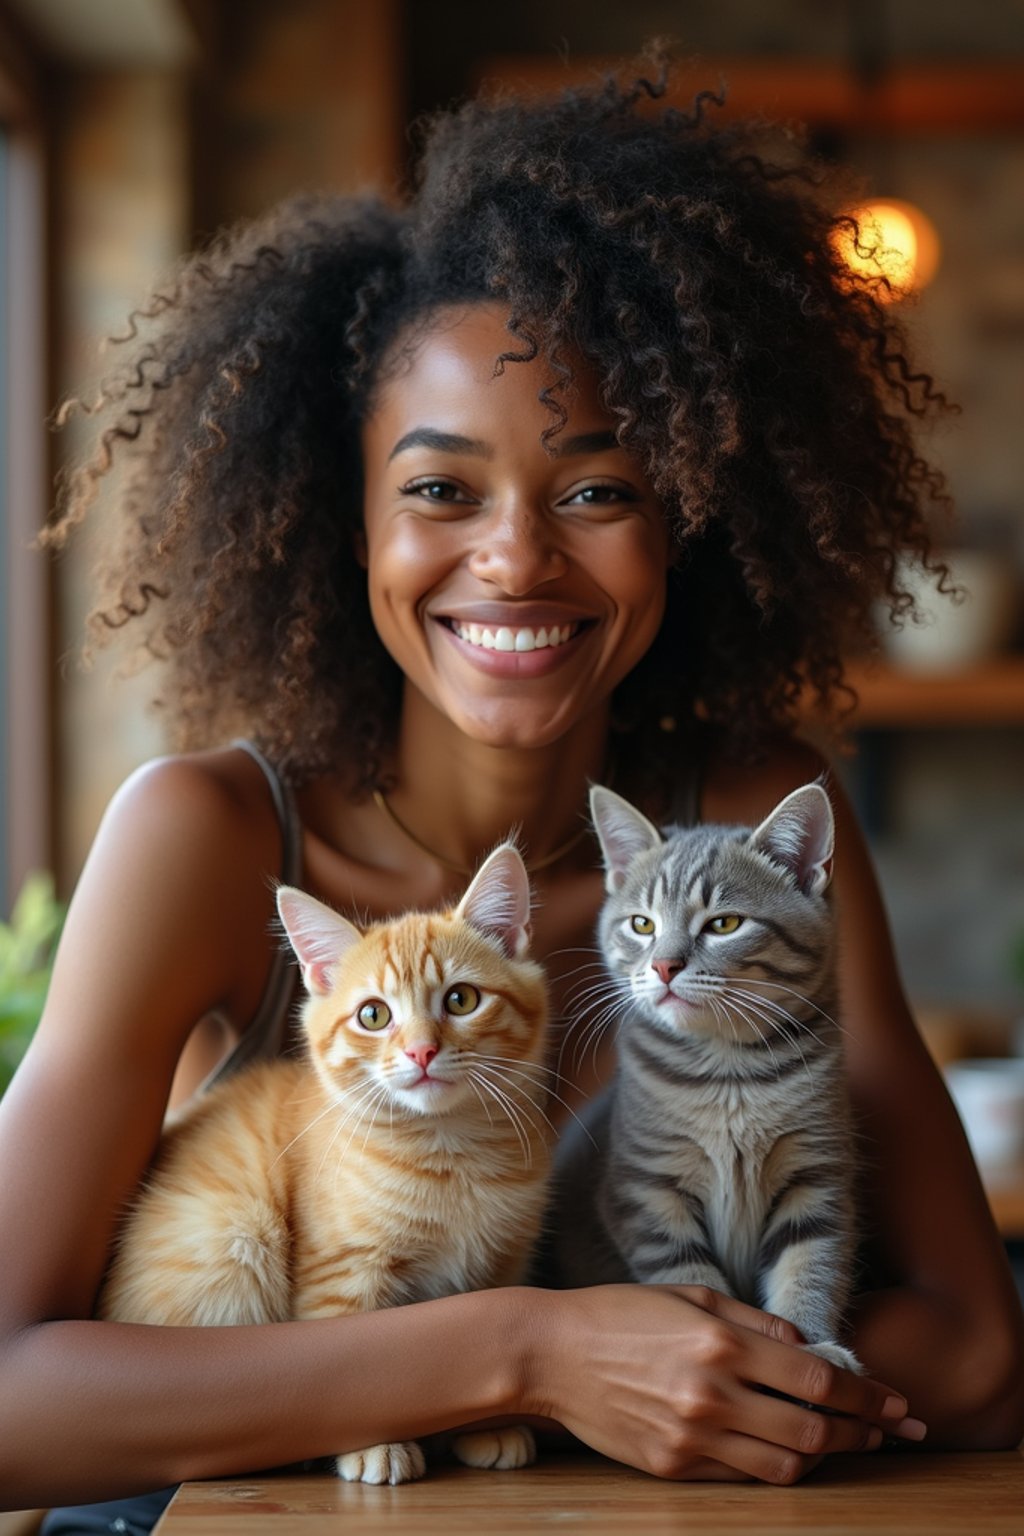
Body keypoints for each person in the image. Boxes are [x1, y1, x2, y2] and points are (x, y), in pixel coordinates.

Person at [2, 59, 1022, 1523]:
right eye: (439, 490)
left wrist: (679, 1393)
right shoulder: (213, 838)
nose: (518, 560)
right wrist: (531, 1356)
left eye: (599, 490)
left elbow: (980, 1351)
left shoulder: (750, 821)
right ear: (337, 517)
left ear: (690, 516)